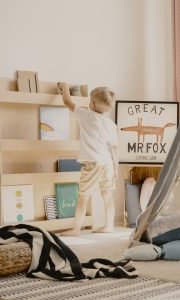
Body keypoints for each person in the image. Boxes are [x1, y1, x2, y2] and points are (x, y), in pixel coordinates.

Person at [58, 82, 119, 236]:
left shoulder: (87, 115)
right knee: (107, 194)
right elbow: (114, 148)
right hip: (108, 164)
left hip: (93, 163)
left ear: (92, 103)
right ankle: (109, 226)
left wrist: (64, 87)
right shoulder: (111, 124)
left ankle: (76, 229)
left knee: (83, 195)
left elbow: (67, 102)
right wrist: (116, 168)